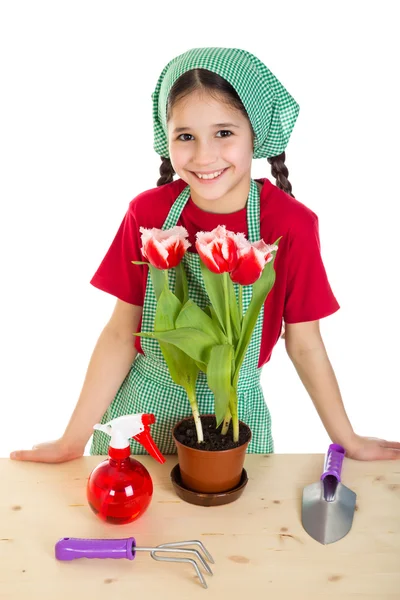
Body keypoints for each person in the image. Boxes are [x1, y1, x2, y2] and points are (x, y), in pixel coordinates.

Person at [10, 47, 400, 463]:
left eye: (224, 133)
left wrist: (349, 440)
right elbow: (121, 334)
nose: (203, 156)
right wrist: (71, 441)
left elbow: (305, 345)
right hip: (141, 416)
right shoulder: (149, 214)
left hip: (234, 419)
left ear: (257, 132)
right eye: (186, 136)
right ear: (167, 137)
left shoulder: (290, 225)